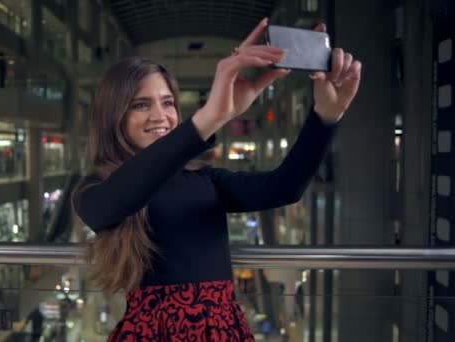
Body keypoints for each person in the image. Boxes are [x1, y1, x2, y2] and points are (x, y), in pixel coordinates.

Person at [73, 18, 361, 341]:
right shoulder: (97, 187)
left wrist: (326, 115)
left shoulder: (205, 180)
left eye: (168, 102)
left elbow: (285, 187)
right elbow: (112, 204)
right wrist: (211, 117)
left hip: (223, 330)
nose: (160, 116)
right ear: (114, 117)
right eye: (141, 105)